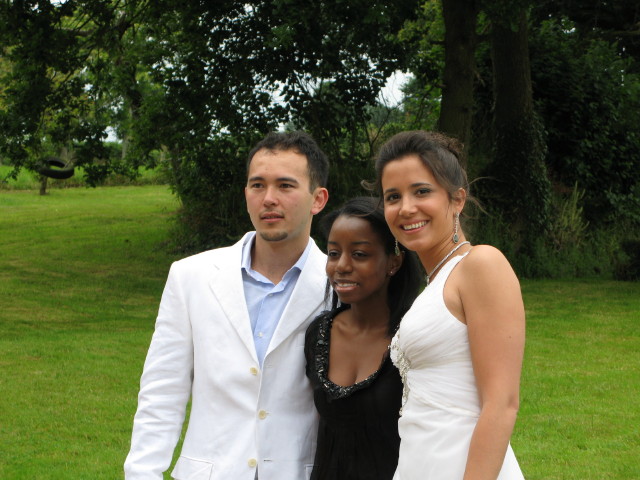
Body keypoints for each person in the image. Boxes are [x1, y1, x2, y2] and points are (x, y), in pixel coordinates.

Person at [124, 131, 330, 480]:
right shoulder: (191, 276)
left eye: (285, 186)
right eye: (257, 185)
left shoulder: (338, 286)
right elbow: (162, 393)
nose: (269, 199)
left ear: (318, 199)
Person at [374, 130, 526, 480]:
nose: (406, 208)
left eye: (421, 191)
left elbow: (502, 405)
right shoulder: (435, 283)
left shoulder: (481, 264)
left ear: (457, 199)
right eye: (393, 196)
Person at [304, 197, 422, 480]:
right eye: (333, 253)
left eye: (359, 254)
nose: (341, 266)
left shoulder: (413, 338)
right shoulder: (319, 334)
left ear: (393, 262)